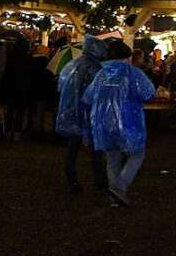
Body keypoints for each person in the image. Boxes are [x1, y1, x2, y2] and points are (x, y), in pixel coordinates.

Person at [82, 39, 155, 206]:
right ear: (127, 56)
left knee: (112, 157)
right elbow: (148, 93)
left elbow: (87, 97)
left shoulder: (100, 74)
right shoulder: (133, 73)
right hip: (129, 121)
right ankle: (120, 188)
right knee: (137, 154)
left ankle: (114, 197)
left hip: (102, 123)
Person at [56, 35, 109, 193]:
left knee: (72, 149)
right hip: (90, 112)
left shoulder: (73, 64)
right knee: (96, 150)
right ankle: (100, 183)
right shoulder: (95, 67)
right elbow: (97, 91)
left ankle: (71, 181)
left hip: (72, 112)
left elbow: (61, 85)